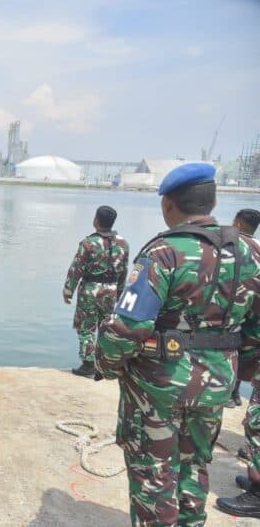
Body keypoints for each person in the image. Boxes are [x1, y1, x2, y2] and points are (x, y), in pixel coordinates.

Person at [94, 163, 260, 525]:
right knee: (194, 467)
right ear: (213, 200)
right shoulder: (251, 251)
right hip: (216, 385)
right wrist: (239, 370)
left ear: (168, 204)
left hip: (159, 386)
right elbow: (256, 329)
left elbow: (127, 327)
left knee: (153, 477)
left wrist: (106, 366)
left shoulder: (163, 252)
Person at [63, 206, 130, 378]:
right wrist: (120, 292)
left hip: (90, 290)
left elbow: (76, 268)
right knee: (106, 327)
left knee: (86, 327)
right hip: (111, 290)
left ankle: (88, 364)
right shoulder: (123, 243)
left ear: (96, 221)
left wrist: (68, 290)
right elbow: (124, 270)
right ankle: (104, 365)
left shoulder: (88, 243)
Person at [228, 209, 260, 409]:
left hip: (233, 304)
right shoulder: (258, 247)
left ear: (237, 223)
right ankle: (237, 394)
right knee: (246, 347)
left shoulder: (230, 244)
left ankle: (230, 392)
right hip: (254, 308)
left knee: (230, 345)